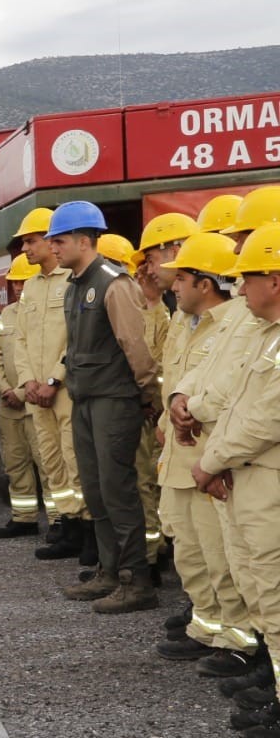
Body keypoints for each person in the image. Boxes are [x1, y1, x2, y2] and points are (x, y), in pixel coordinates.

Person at [191, 222, 280, 738]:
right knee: (265, 595)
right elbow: (237, 408)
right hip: (251, 482)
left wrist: (213, 459)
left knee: (276, 593)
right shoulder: (266, 337)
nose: (239, 288)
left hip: (268, 486)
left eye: (247, 277)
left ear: (275, 278)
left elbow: (264, 418)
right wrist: (217, 459)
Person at [48, 201, 158, 614]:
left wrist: (148, 396)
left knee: (118, 491)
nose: (53, 248)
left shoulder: (114, 283)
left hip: (114, 399)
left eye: (58, 241)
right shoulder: (76, 284)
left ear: (83, 240)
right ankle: (110, 572)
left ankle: (136, 580)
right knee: (95, 491)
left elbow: (136, 348)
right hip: (86, 397)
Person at [153, 231, 251, 664]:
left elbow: (228, 391)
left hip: (208, 458)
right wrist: (168, 415)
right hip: (179, 457)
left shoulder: (235, 324)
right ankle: (206, 625)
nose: (173, 285)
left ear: (204, 284)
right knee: (189, 550)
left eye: (181, 278)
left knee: (220, 555)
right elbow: (175, 381)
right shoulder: (187, 322)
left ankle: (238, 639)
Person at [14, 208, 88, 562]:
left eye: (31, 240)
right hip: (36, 392)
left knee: (74, 460)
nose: (25, 248)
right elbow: (21, 340)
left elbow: (75, 339)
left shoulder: (71, 281)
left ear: (50, 239)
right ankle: (66, 526)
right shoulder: (29, 288)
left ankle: (86, 531)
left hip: (63, 391)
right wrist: (28, 380)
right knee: (51, 461)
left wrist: (52, 380)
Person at [133, 214, 198, 569]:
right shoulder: (176, 310)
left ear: (175, 248)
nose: (147, 269)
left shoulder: (212, 310)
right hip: (170, 425)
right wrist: (152, 303)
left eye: (152, 259)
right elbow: (158, 358)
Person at [0, 256, 43, 539]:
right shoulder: (7, 314)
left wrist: (22, 392)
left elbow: (44, 358)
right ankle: (24, 518)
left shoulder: (43, 314)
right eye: (14, 282)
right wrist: (3, 389)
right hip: (8, 404)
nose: (18, 287)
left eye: (23, 281)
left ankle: (61, 520)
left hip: (35, 403)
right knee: (15, 462)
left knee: (47, 465)